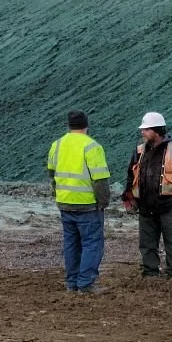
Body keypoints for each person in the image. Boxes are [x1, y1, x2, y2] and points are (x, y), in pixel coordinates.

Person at [121, 110, 172, 278]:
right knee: (147, 244)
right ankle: (150, 273)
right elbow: (131, 174)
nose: (142, 132)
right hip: (145, 206)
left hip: (170, 206)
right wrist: (128, 195)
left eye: (146, 129)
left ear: (156, 130)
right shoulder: (139, 150)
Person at [45, 111, 110, 293]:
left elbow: (51, 174)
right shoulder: (92, 146)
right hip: (87, 205)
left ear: (68, 126)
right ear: (86, 125)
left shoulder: (57, 145)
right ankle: (86, 284)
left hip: (65, 203)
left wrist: (57, 194)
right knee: (91, 244)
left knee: (71, 243)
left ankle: (72, 283)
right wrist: (103, 202)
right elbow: (100, 180)